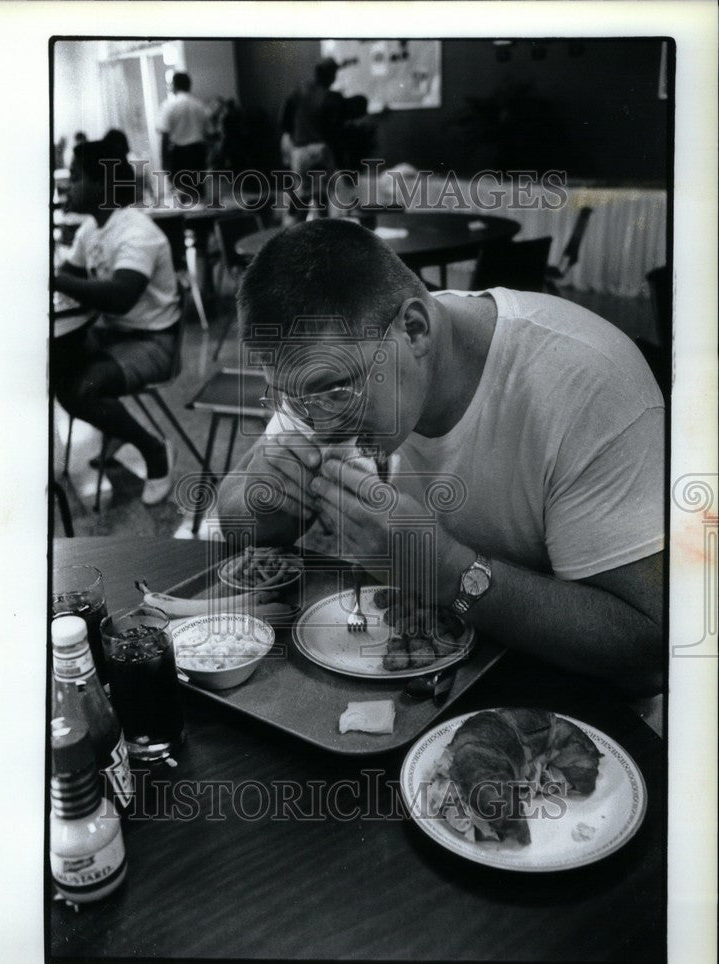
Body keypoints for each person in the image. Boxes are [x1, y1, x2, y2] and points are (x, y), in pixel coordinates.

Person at [216, 220, 665, 696]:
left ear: (414, 330)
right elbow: (233, 514)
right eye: (290, 399)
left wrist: (449, 572)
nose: (320, 427)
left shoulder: (586, 386)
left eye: (334, 392)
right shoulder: (321, 373)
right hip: (401, 679)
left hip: (571, 706)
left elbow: (648, 643)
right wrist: (269, 501)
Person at [52, 138, 180, 504]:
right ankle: (117, 426)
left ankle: (153, 450)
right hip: (116, 335)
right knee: (60, 373)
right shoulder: (91, 230)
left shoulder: (136, 231)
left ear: (101, 184)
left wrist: (55, 278)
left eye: (76, 178)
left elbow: (120, 298)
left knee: (83, 389)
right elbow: (70, 276)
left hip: (154, 342)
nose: (68, 187)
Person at [281, 57, 346, 220]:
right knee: (322, 202)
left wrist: (296, 135)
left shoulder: (298, 91)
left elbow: (283, 121)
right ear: (330, 76)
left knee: (302, 201)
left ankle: (295, 238)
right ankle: (323, 239)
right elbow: (335, 133)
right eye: (334, 74)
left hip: (300, 152)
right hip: (321, 152)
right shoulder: (330, 97)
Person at [158, 71, 208, 204]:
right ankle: (200, 218)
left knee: (181, 191)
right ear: (189, 86)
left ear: (174, 86)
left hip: (179, 153)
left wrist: (164, 160)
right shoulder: (199, 105)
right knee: (198, 190)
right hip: (197, 151)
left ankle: (186, 217)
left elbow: (165, 135)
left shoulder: (169, 106)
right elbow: (206, 133)